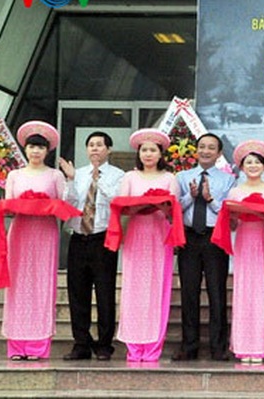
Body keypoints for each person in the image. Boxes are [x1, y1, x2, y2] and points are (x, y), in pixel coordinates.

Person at [112, 128, 180, 362]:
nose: (148, 154)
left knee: (157, 289)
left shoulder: (169, 178)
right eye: (144, 150)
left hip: (160, 236)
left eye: (153, 150)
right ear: (138, 153)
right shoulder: (129, 178)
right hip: (136, 234)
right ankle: (133, 347)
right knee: (133, 289)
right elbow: (122, 208)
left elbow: (174, 214)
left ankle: (152, 347)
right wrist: (140, 205)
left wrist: (162, 207)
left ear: (161, 154)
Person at [0, 121, 66, 360]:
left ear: (47, 150)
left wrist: (46, 205)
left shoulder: (55, 175)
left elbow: (63, 204)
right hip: (20, 232)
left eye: (40, 147)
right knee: (18, 285)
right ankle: (17, 346)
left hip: (45, 233)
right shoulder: (14, 175)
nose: (36, 151)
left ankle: (38, 345)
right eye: (31, 147)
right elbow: (8, 205)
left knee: (42, 284)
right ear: (25, 149)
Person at [59, 131, 125, 361]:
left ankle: (105, 344)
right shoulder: (76, 173)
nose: (95, 149)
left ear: (108, 149)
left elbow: (117, 201)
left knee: (105, 293)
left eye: (100, 145)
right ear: (86, 150)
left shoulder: (118, 175)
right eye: (91, 145)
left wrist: (99, 178)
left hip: (103, 238)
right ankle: (81, 344)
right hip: (78, 238)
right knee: (78, 293)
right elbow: (69, 203)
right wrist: (69, 180)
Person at [219, 140, 264, 363]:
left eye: (257, 162)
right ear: (242, 166)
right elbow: (230, 225)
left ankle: (260, 346)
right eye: (249, 162)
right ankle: (242, 346)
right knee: (243, 291)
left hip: (263, 242)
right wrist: (236, 216)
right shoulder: (235, 191)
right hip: (245, 242)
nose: (253, 166)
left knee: (261, 292)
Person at [172, 133, 235, 362]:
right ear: (196, 151)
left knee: (216, 293)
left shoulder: (228, 180)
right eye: (202, 147)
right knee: (189, 293)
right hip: (189, 238)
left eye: (211, 148)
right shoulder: (182, 176)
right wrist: (192, 196)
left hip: (214, 238)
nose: (206, 151)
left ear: (219, 153)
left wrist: (209, 199)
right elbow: (175, 209)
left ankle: (218, 347)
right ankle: (189, 347)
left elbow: (228, 213)